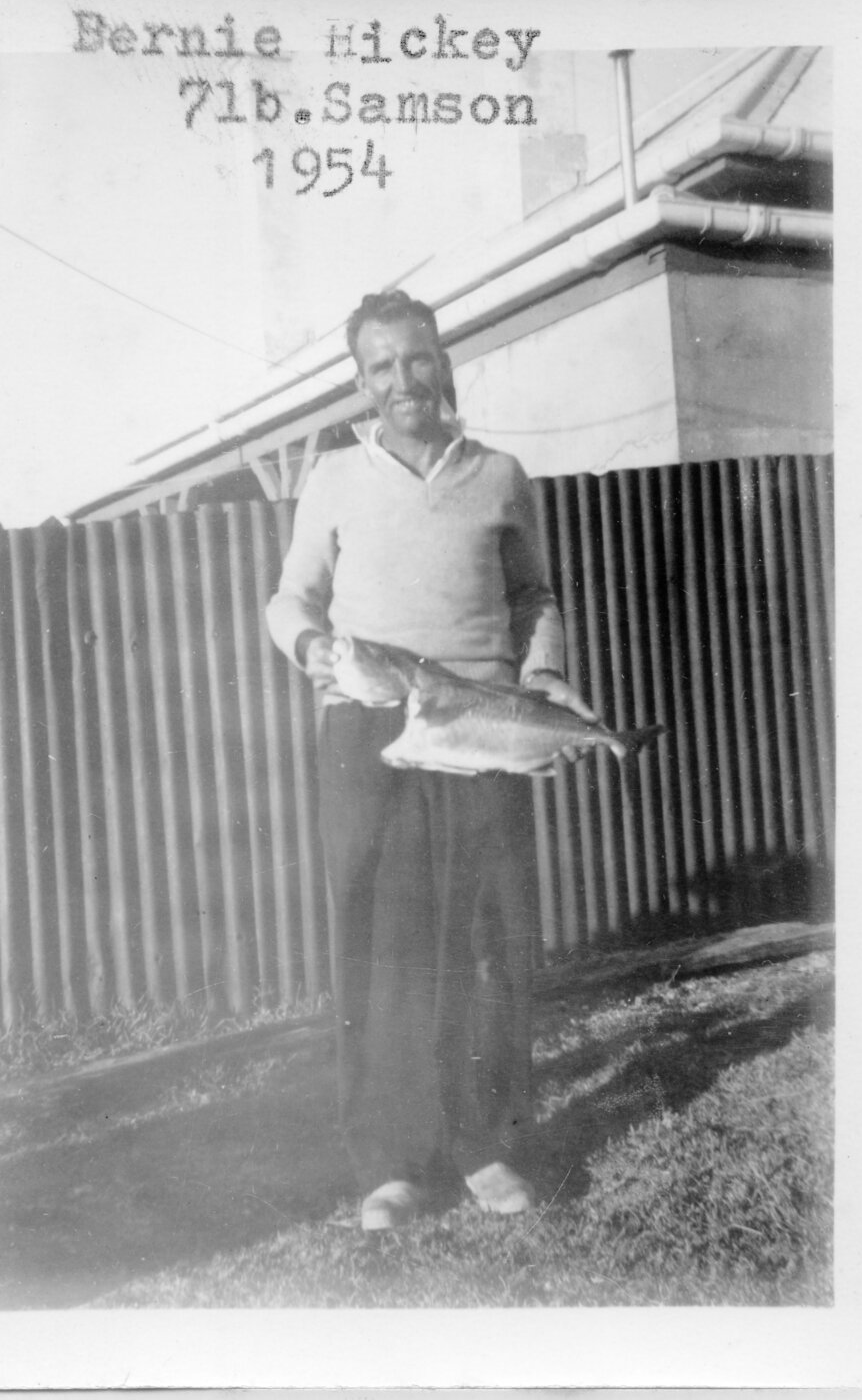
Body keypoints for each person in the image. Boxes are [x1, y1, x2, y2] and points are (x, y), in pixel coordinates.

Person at [266, 290, 596, 1231]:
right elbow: (291, 598)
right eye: (381, 367)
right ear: (360, 381)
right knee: (384, 946)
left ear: (440, 361)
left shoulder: (498, 474)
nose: (402, 381)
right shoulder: (332, 476)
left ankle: (484, 1145)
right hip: (369, 735)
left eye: (415, 359)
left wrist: (546, 672)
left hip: (483, 730)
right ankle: (392, 1163)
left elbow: (534, 594)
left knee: (487, 941)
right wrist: (312, 649)